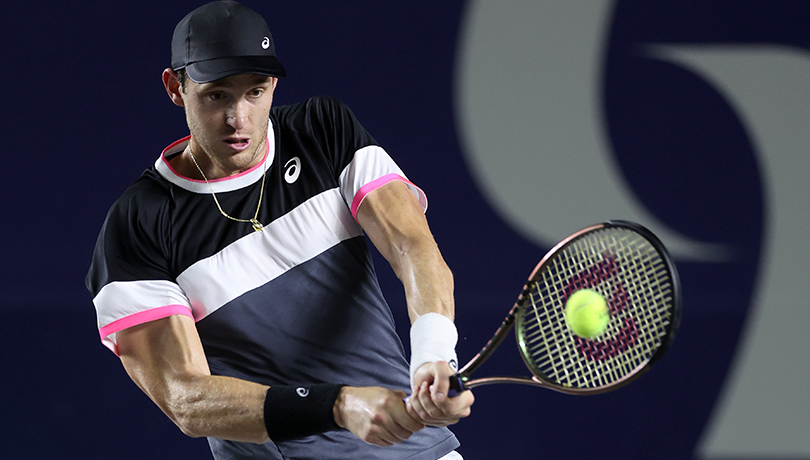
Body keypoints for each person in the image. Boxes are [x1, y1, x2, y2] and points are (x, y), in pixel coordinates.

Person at [85, 1, 474, 459]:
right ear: (176, 87)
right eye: (217, 96)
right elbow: (186, 398)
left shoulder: (323, 132)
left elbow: (412, 245)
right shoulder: (138, 225)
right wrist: (338, 405)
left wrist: (433, 353)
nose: (239, 119)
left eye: (255, 92)